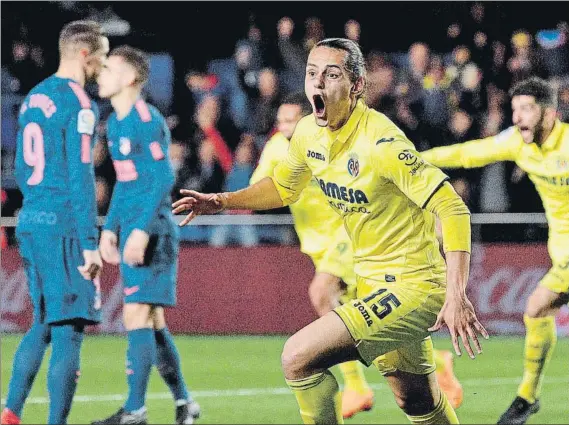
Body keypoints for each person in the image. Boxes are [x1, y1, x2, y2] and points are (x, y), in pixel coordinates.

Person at [173, 38, 487, 425]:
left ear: (357, 86)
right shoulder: (308, 132)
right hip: (373, 281)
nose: (318, 83)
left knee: (298, 357)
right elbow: (284, 186)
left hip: (414, 286)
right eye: (311, 73)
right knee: (416, 402)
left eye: (332, 74)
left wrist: (456, 294)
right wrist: (223, 200)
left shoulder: (381, 142)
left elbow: (453, 207)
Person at [251, 92, 464, 417]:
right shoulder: (280, 148)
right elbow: (263, 189)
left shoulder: (342, 143)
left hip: (348, 238)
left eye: (291, 119)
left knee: (321, 294)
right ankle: (437, 363)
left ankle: (356, 387)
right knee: (381, 344)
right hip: (317, 245)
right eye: (280, 120)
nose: (284, 126)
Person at [421, 76, 569, 425]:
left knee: (536, 308)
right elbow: (466, 154)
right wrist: (409, 159)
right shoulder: (518, 143)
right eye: (514, 109)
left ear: (550, 113)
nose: (518, 117)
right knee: (536, 311)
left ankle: (526, 398)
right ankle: (527, 398)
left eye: (527, 109)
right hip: (563, 255)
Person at [0, 20, 108, 425]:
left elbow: (24, 164)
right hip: (63, 224)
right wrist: (89, 241)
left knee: (43, 323)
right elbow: (80, 177)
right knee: (69, 329)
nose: (104, 64)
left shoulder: (34, 97)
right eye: (102, 54)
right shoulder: (78, 104)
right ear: (84, 54)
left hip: (32, 218)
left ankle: (11, 413)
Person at [91, 46, 200, 425]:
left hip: (153, 232)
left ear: (130, 78)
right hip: (135, 230)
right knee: (151, 323)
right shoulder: (117, 123)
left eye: (108, 68)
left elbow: (162, 177)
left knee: (138, 314)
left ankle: (135, 410)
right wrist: (110, 229)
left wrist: (137, 230)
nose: (100, 73)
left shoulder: (145, 118)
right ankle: (185, 402)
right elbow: (126, 184)